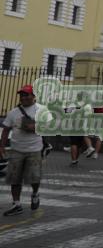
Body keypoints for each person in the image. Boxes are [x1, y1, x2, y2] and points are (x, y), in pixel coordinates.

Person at [0, 85, 44, 216]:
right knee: (14, 178)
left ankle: (35, 193)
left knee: (34, 178)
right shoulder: (13, 112)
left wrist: (35, 128)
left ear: (33, 96)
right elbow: (6, 129)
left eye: (26, 95)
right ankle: (16, 204)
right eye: (22, 95)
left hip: (34, 149)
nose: (23, 97)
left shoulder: (41, 110)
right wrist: (1, 146)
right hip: (16, 150)